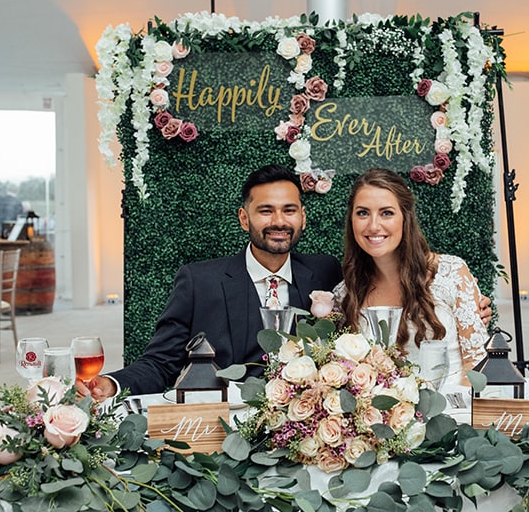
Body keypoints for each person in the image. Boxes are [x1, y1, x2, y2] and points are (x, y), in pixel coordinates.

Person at [84, 165, 343, 400]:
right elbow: (161, 362)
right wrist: (111, 383)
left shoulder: (325, 272)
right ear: (244, 218)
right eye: (266, 211)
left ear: (303, 217)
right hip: (224, 428)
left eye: (289, 210)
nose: (279, 221)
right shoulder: (199, 282)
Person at [334, 168, 489, 385]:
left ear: (405, 218)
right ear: (351, 220)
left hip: (454, 410)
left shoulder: (451, 272)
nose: (373, 225)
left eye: (386, 212)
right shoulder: (345, 294)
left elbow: (477, 364)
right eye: (362, 213)